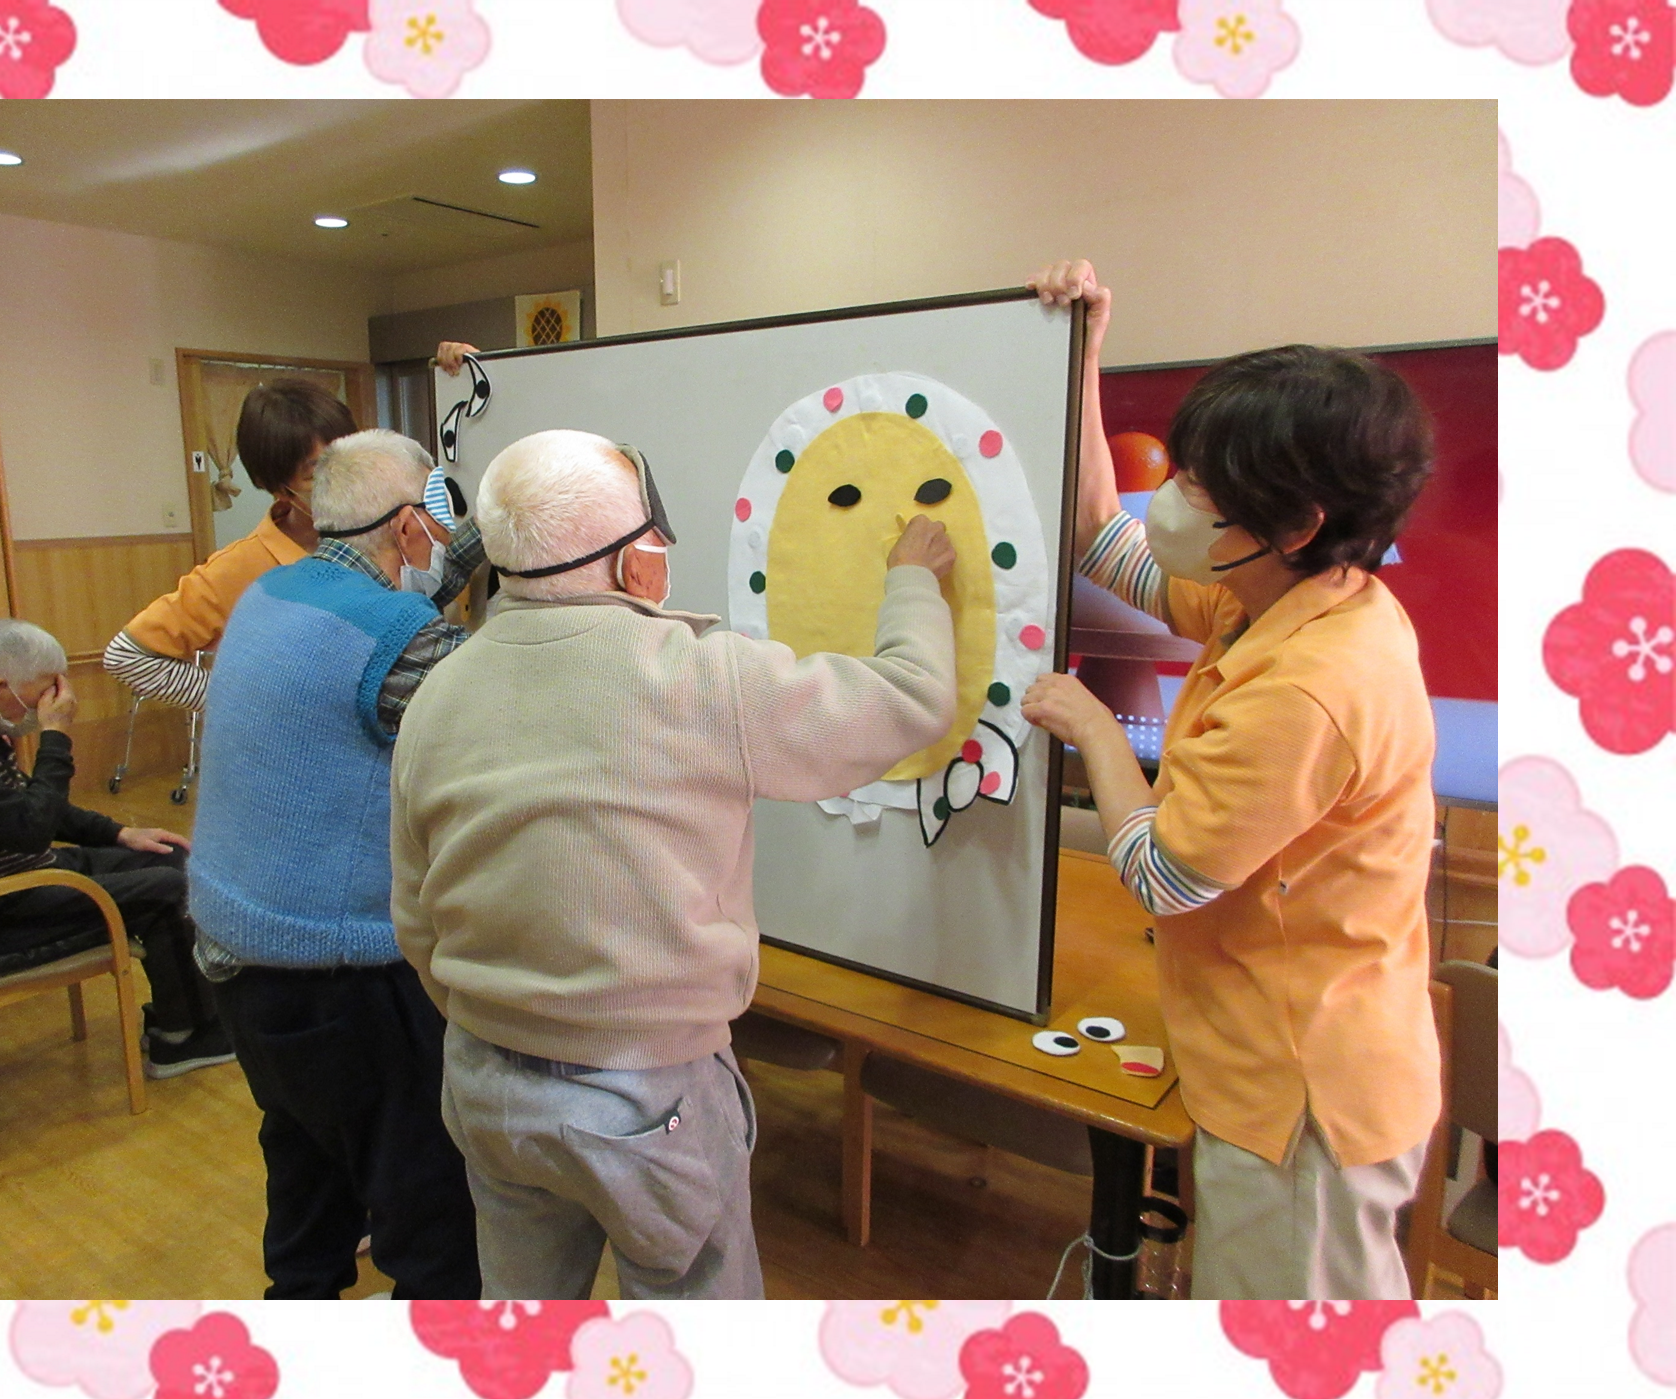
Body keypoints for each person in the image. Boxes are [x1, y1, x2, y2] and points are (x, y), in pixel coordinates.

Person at [390, 429, 961, 1300]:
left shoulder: (439, 691)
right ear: (633, 564)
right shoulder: (700, 676)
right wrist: (913, 578)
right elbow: (911, 698)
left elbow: (416, 918)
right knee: (695, 1330)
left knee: (522, 1317)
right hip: (646, 1091)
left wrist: (508, 1018)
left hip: (484, 1080)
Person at [1018, 259, 1442, 1299]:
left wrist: (1092, 725)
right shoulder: (1284, 596)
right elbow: (1102, 539)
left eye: (1204, 488)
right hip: (1267, 1060)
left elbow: (1162, 874)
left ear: (1293, 524)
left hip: (1304, 1096)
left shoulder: (1312, 682)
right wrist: (1083, 353)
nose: (1174, 499)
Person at [187, 429, 487, 1300]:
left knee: (308, 1178)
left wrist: (487, 537)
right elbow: (491, 707)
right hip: (340, 975)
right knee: (434, 1220)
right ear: (405, 525)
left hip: (240, 956)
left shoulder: (274, 590)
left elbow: (401, 602)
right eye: (433, 512)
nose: (437, 531)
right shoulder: (400, 638)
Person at [0, 618, 232, 1078]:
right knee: (167, 890)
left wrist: (119, 833)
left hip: (16, 870)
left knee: (171, 857)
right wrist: (55, 735)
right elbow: (33, 826)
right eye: (48, 689)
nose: (60, 699)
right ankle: (181, 1039)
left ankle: (188, 1013)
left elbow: (26, 805)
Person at [103, 344, 477, 709]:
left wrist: (474, 375)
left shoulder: (396, 524)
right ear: (279, 488)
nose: (344, 481)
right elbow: (128, 656)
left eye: (350, 461)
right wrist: (248, 700)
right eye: (319, 473)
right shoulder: (243, 568)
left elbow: (444, 576)